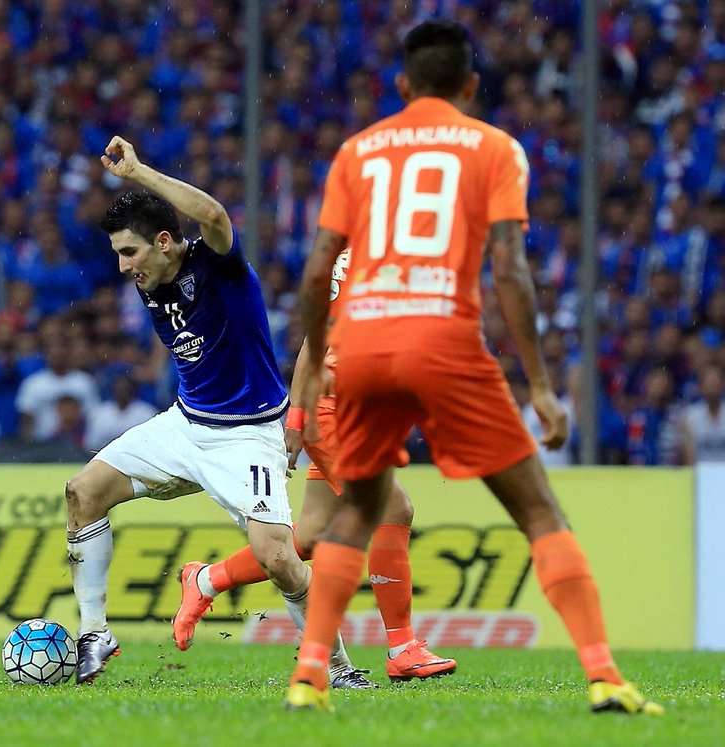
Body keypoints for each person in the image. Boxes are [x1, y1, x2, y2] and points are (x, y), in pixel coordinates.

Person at [284, 20, 661, 716]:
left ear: (402, 84)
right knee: (538, 508)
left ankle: (309, 678)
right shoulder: (494, 147)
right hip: (443, 340)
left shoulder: (356, 152)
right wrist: (539, 385)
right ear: (470, 85)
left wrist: (310, 383)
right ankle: (605, 676)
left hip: (360, 346)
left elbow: (314, 277)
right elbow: (510, 270)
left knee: (357, 511)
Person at [65, 136, 311, 685]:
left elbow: (215, 215)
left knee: (278, 559)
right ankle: (94, 634)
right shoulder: (150, 276)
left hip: (248, 433)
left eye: (130, 252)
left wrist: (138, 172)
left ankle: (333, 665)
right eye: (118, 255)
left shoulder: (219, 266)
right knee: (83, 492)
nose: (124, 266)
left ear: (164, 242)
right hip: (185, 424)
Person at [174, 254, 456, 686]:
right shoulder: (356, 258)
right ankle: (402, 648)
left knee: (312, 534)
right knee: (392, 508)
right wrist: (298, 419)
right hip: (332, 411)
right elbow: (316, 342)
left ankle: (206, 579)